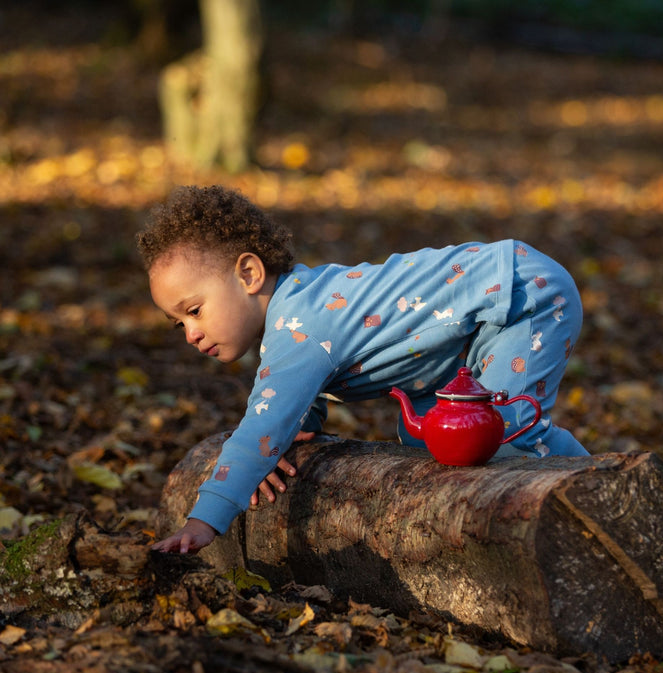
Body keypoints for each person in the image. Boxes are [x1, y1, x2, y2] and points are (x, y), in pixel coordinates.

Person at [138, 185, 588, 554]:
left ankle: (588, 490)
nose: (190, 333)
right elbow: (286, 413)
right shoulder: (293, 323)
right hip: (474, 327)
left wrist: (203, 521)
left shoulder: (301, 329)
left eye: (195, 310)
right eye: (179, 322)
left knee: (496, 436)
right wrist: (285, 440)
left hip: (519, 295)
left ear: (249, 274)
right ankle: (576, 472)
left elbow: (262, 425)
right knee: (430, 436)